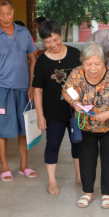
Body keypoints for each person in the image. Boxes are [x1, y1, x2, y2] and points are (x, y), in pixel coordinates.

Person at [62, 42, 109, 209]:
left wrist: (108, 114)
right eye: (88, 64)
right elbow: (66, 91)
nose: (93, 68)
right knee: (86, 159)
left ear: (104, 61)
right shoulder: (77, 73)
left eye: (97, 63)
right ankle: (88, 192)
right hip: (86, 126)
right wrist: (74, 103)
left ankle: (107, 194)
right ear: (82, 62)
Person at [0, 0, 38, 182]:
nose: (6, 18)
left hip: (23, 88)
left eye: (9, 13)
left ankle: (24, 165)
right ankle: (4, 166)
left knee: (24, 128)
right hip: (1, 89)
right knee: (1, 128)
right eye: (1, 14)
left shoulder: (24, 32)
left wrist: (32, 85)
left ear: (13, 12)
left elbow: (32, 60)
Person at [32, 20, 82, 195]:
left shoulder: (75, 54)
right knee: (52, 145)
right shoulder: (42, 62)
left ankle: (79, 175)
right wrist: (40, 116)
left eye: (55, 39)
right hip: (53, 111)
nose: (52, 44)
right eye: (47, 41)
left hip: (76, 110)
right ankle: (52, 181)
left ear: (61, 36)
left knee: (78, 142)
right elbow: (37, 90)